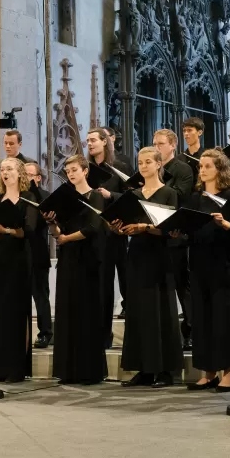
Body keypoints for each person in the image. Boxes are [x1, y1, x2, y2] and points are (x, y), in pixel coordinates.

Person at [113, 146, 184, 387]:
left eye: (147, 162)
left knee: (160, 310)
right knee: (140, 312)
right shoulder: (133, 195)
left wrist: (145, 228)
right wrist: (119, 228)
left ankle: (164, 370)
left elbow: (170, 229)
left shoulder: (169, 193)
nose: (142, 166)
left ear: (158, 164)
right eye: (140, 163)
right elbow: (126, 222)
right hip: (137, 255)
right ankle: (144, 368)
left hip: (159, 256)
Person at [44, 154, 107, 384]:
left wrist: (66, 238)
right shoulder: (65, 198)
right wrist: (52, 223)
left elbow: (93, 227)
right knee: (68, 310)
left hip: (89, 258)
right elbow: (57, 234)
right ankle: (68, 370)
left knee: (87, 312)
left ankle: (88, 371)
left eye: (74, 170)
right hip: (69, 258)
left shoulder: (96, 196)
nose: (70, 174)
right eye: (67, 171)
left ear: (85, 171)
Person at [185, 149, 230, 392]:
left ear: (220, 169)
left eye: (207, 166)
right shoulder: (196, 198)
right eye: (201, 167)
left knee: (223, 318)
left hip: (223, 263)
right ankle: (208, 371)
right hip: (198, 263)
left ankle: (228, 372)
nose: (202, 170)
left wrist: (225, 223)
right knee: (202, 318)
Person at [0, 157, 36, 382]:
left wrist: (6, 230)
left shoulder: (28, 198)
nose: (5, 173)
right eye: (2, 170)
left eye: (9, 169)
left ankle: (16, 368)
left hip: (19, 257)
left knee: (16, 311)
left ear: (20, 173)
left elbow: (29, 230)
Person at [153, 128, 194, 349]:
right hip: (155, 235)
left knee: (182, 285)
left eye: (160, 144)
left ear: (172, 145)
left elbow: (179, 196)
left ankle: (190, 330)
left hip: (176, 234)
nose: (156, 148)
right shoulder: (152, 168)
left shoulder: (182, 168)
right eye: (154, 144)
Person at [88, 127, 127, 347]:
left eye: (94, 140)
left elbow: (131, 196)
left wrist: (110, 194)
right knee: (100, 287)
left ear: (105, 142)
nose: (90, 144)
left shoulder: (119, 168)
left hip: (115, 232)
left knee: (123, 283)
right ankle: (102, 335)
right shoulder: (88, 169)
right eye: (88, 141)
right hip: (94, 233)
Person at [24, 160, 54, 348]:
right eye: (23, 174)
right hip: (19, 251)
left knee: (40, 295)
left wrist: (33, 191)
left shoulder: (45, 196)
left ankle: (45, 332)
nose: (24, 177)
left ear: (37, 177)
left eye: (28, 174)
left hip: (38, 251)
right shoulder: (16, 196)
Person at [0, 129, 30, 196]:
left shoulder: (28, 164)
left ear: (20, 144)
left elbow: (34, 190)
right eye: (5, 143)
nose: (7, 146)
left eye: (11, 143)